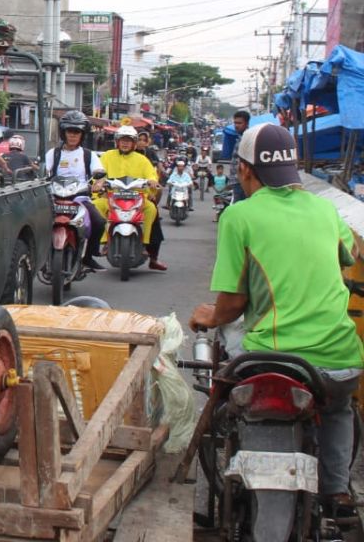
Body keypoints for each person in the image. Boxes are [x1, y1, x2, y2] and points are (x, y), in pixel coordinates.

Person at [188, 124, 363, 512]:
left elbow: (232, 305)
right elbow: (349, 254)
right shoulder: (326, 209)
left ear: (246, 170)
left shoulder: (239, 216)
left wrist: (209, 316)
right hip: (337, 362)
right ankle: (337, 492)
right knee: (337, 408)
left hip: (270, 358)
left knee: (227, 350)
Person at [96, 125, 167, 270]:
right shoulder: (107, 156)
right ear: (117, 141)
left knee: (152, 209)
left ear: (134, 143)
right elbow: (98, 173)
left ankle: (145, 246)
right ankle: (104, 242)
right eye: (122, 140)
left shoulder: (142, 159)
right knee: (95, 206)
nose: (125, 143)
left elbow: (151, 175)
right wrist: (99, 182)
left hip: (137, 198)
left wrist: (153, 181)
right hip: (111, 196)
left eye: (129, 140)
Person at [43, 110, 106, 270]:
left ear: (82, 134)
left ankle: (89, 256)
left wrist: (99, 182)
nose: (73, 135)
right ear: (63, 133)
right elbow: (43, 172)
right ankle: (38, 255)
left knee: (99, 222)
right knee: (37, 221)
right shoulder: (53, 153)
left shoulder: (88, 155)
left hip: (80, 198)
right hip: (54, 197)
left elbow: (99, 173)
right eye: (70, 131)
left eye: (76, 132)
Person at [222, 110, 251, 202]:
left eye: (239, 123)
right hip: (236, 181)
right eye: (235, 123)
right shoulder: (239, 138)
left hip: (242, 182)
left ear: (246, 123)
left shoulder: (247, 138)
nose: (236, 125)